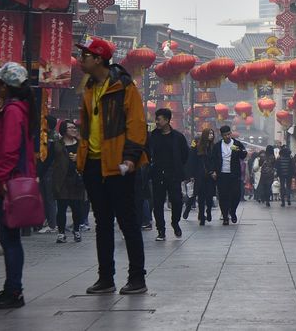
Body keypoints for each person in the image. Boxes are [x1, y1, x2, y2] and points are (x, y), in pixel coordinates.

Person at [75, 38, 149, 296]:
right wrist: (82, 161)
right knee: (102, 223)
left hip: (119, 165)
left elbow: (137, 124)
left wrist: (130, 158)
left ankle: (137, 278)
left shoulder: (124, 86)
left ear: (98, 59)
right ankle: (105, 278)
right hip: (94, 164)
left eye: (84, 55)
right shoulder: (88, 87)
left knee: (128, 222)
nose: (80, 59)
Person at [0, 62, 36, 309]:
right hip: (10, 180)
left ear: (5, 85)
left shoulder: (13, 110)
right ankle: (13, 288)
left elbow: (10, 148)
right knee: (10, 238)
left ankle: (14, 291)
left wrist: (3, 179)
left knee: (9, 238)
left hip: (8, 183)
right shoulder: (18, 108)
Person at [37, 120, 87, 244]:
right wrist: (38, 175)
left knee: (77, 208)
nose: (73, 129)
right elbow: (48, 161)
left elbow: (89, 160)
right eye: (70, 128)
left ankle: (76, 230)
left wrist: (78, 158)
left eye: (74, 128)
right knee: (62, 207)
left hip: (77, 180)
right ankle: (61, 233)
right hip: (61, 180)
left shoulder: (81, 145)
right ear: (64, 130)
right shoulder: (56, 145)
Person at [146, 108, 190, 241]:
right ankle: (161, 230)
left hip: (173, 175)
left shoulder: (178, 137)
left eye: (159, 119)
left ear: (166, 120)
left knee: (176, 201)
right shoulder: (152, 136)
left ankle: (175, 222)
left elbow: (185, 154)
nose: (157, 122)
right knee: (157, 203)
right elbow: (147, 153)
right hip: (157, 174)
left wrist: (178, 167)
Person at [208, 124, 247, 225]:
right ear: (222, 136)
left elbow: (243, 155)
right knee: (223, 196)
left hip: (234, 174)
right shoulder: (217, 146)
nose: (227, 136)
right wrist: (212, 171)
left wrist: (238, 150)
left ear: (231, 133)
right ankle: (225, 216)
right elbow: (212, 160)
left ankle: (232, 211)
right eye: (225, 135)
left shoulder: (237, 143)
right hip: (222, 174)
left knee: (236, 195)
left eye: (229, 134)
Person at [188, 128, 216, 225]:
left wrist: (214, 171)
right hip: (200, 175)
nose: (211, 135)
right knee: (201, 196)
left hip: (210, 175)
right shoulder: (197, 146)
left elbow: (214, 161)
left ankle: (208, 210)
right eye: (209, 134)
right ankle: (201, 215)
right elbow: (192, 161)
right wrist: (191, 174)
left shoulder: (213, 147)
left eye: (212, 133)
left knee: (209, 196)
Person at [37, 114, 59, 234]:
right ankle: (49, 222)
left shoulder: (52, 138)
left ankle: (52, 224)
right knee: (46, 197)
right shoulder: (50, 136)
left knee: (49, 198)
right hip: (48, 170)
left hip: (50, 171)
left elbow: (49, 158)